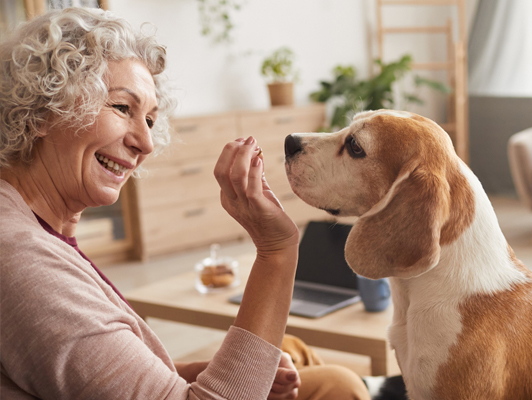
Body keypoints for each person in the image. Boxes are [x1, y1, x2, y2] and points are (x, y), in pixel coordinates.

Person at [0, 8, 369, 399]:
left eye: (151, 120)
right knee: (338, 387)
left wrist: (188, 372)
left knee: (305, 361)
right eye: (122, 108)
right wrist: (277, 251)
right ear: (40, 111)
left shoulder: (29, 227)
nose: (144, 143)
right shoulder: (24, 260)